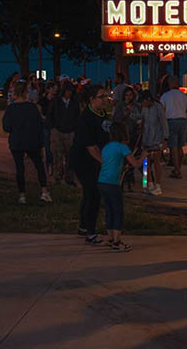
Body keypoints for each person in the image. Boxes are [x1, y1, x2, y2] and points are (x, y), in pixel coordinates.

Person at [96, 121, 146, 252]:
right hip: (113, 183)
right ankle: (117, 242)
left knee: (109, 210)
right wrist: (144, 156)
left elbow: (111, 162)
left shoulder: (107, 146)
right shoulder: (123, 147)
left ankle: (111, 238)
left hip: (102, 181)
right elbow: (135, 164)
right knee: (118, 211)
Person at [70, 84, 110, 242]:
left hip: (95, 158)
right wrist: (106, 163)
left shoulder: (102, 113)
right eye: (102, 97)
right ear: (91, 99)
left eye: (106, 96)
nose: (105, 99)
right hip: (82, 159)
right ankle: (91, 232)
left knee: (89, 193)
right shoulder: (85, 118)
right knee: (93, 193)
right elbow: (91, 147)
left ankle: (83, 226)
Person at [3, 81, 53, 205]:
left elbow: (6, 127)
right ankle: (44, 191)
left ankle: (22, 195)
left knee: (20, 169)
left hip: (17, 141)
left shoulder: (10, 109)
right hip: (32, 141)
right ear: (26, 93)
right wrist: (41, 144)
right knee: (39, 166)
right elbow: (39, 125)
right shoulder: (32, 108)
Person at [47, 81, 81, 185]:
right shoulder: (55, 101)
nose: (69, 93)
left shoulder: (74, 103)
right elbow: (50, 115)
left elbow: (77, 117)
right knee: (57, 156)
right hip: (57, 131)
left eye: (71, 91)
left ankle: (69, 178)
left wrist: (75, 128)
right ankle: (57, 177)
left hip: (70, 132)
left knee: (70, 156)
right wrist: (52, 128)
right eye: (67, 91)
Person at [160, 75, 187, 179]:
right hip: (182, 121)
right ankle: (178, 168)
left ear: (169, 84)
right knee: (180, 146)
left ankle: (177, 170)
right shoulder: (183, 95)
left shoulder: (165, 96)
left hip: (171, 121)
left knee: (173, 146)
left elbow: (161, 110)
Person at [140, 90, 168, 195]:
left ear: (148, 100)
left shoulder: (158, 108)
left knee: (156, 161)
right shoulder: (144, 109)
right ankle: (149, 183)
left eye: (143, 101)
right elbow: (143, 121)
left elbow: (164, 123)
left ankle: (158, 185)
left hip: (156, 138)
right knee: (146, 162)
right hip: (146, 138)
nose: (142, 104)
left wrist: (165, 138)